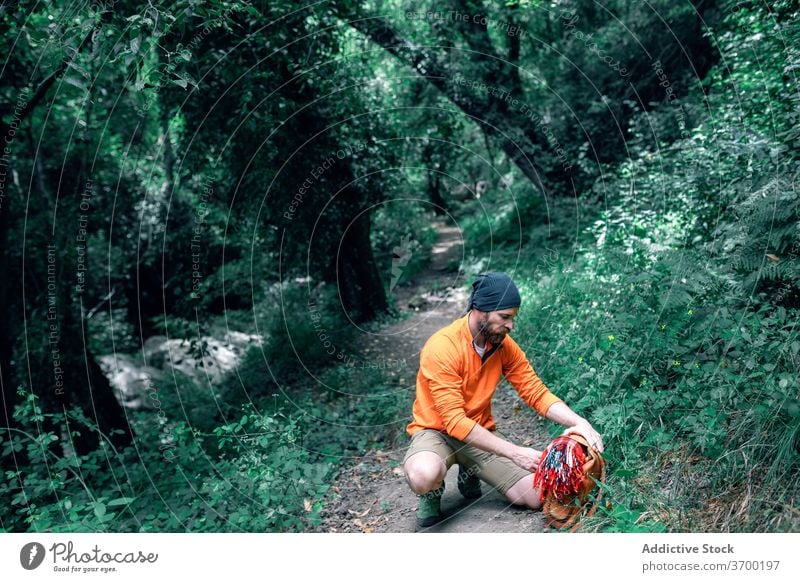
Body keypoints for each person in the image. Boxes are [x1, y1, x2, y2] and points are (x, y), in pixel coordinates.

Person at [403, 271, 604, 527]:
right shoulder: (442, 347)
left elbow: (536, 392)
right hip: (436, 432)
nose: (511, 326)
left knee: (535, 496)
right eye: (505, 317)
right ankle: (432, 492)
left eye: (512, 318)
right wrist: (516, 453)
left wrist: (580, 422)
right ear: (480, 309)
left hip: (478, 435)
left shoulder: (503, 345)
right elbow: (453, 421)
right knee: (424, 475)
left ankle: (469, 468)